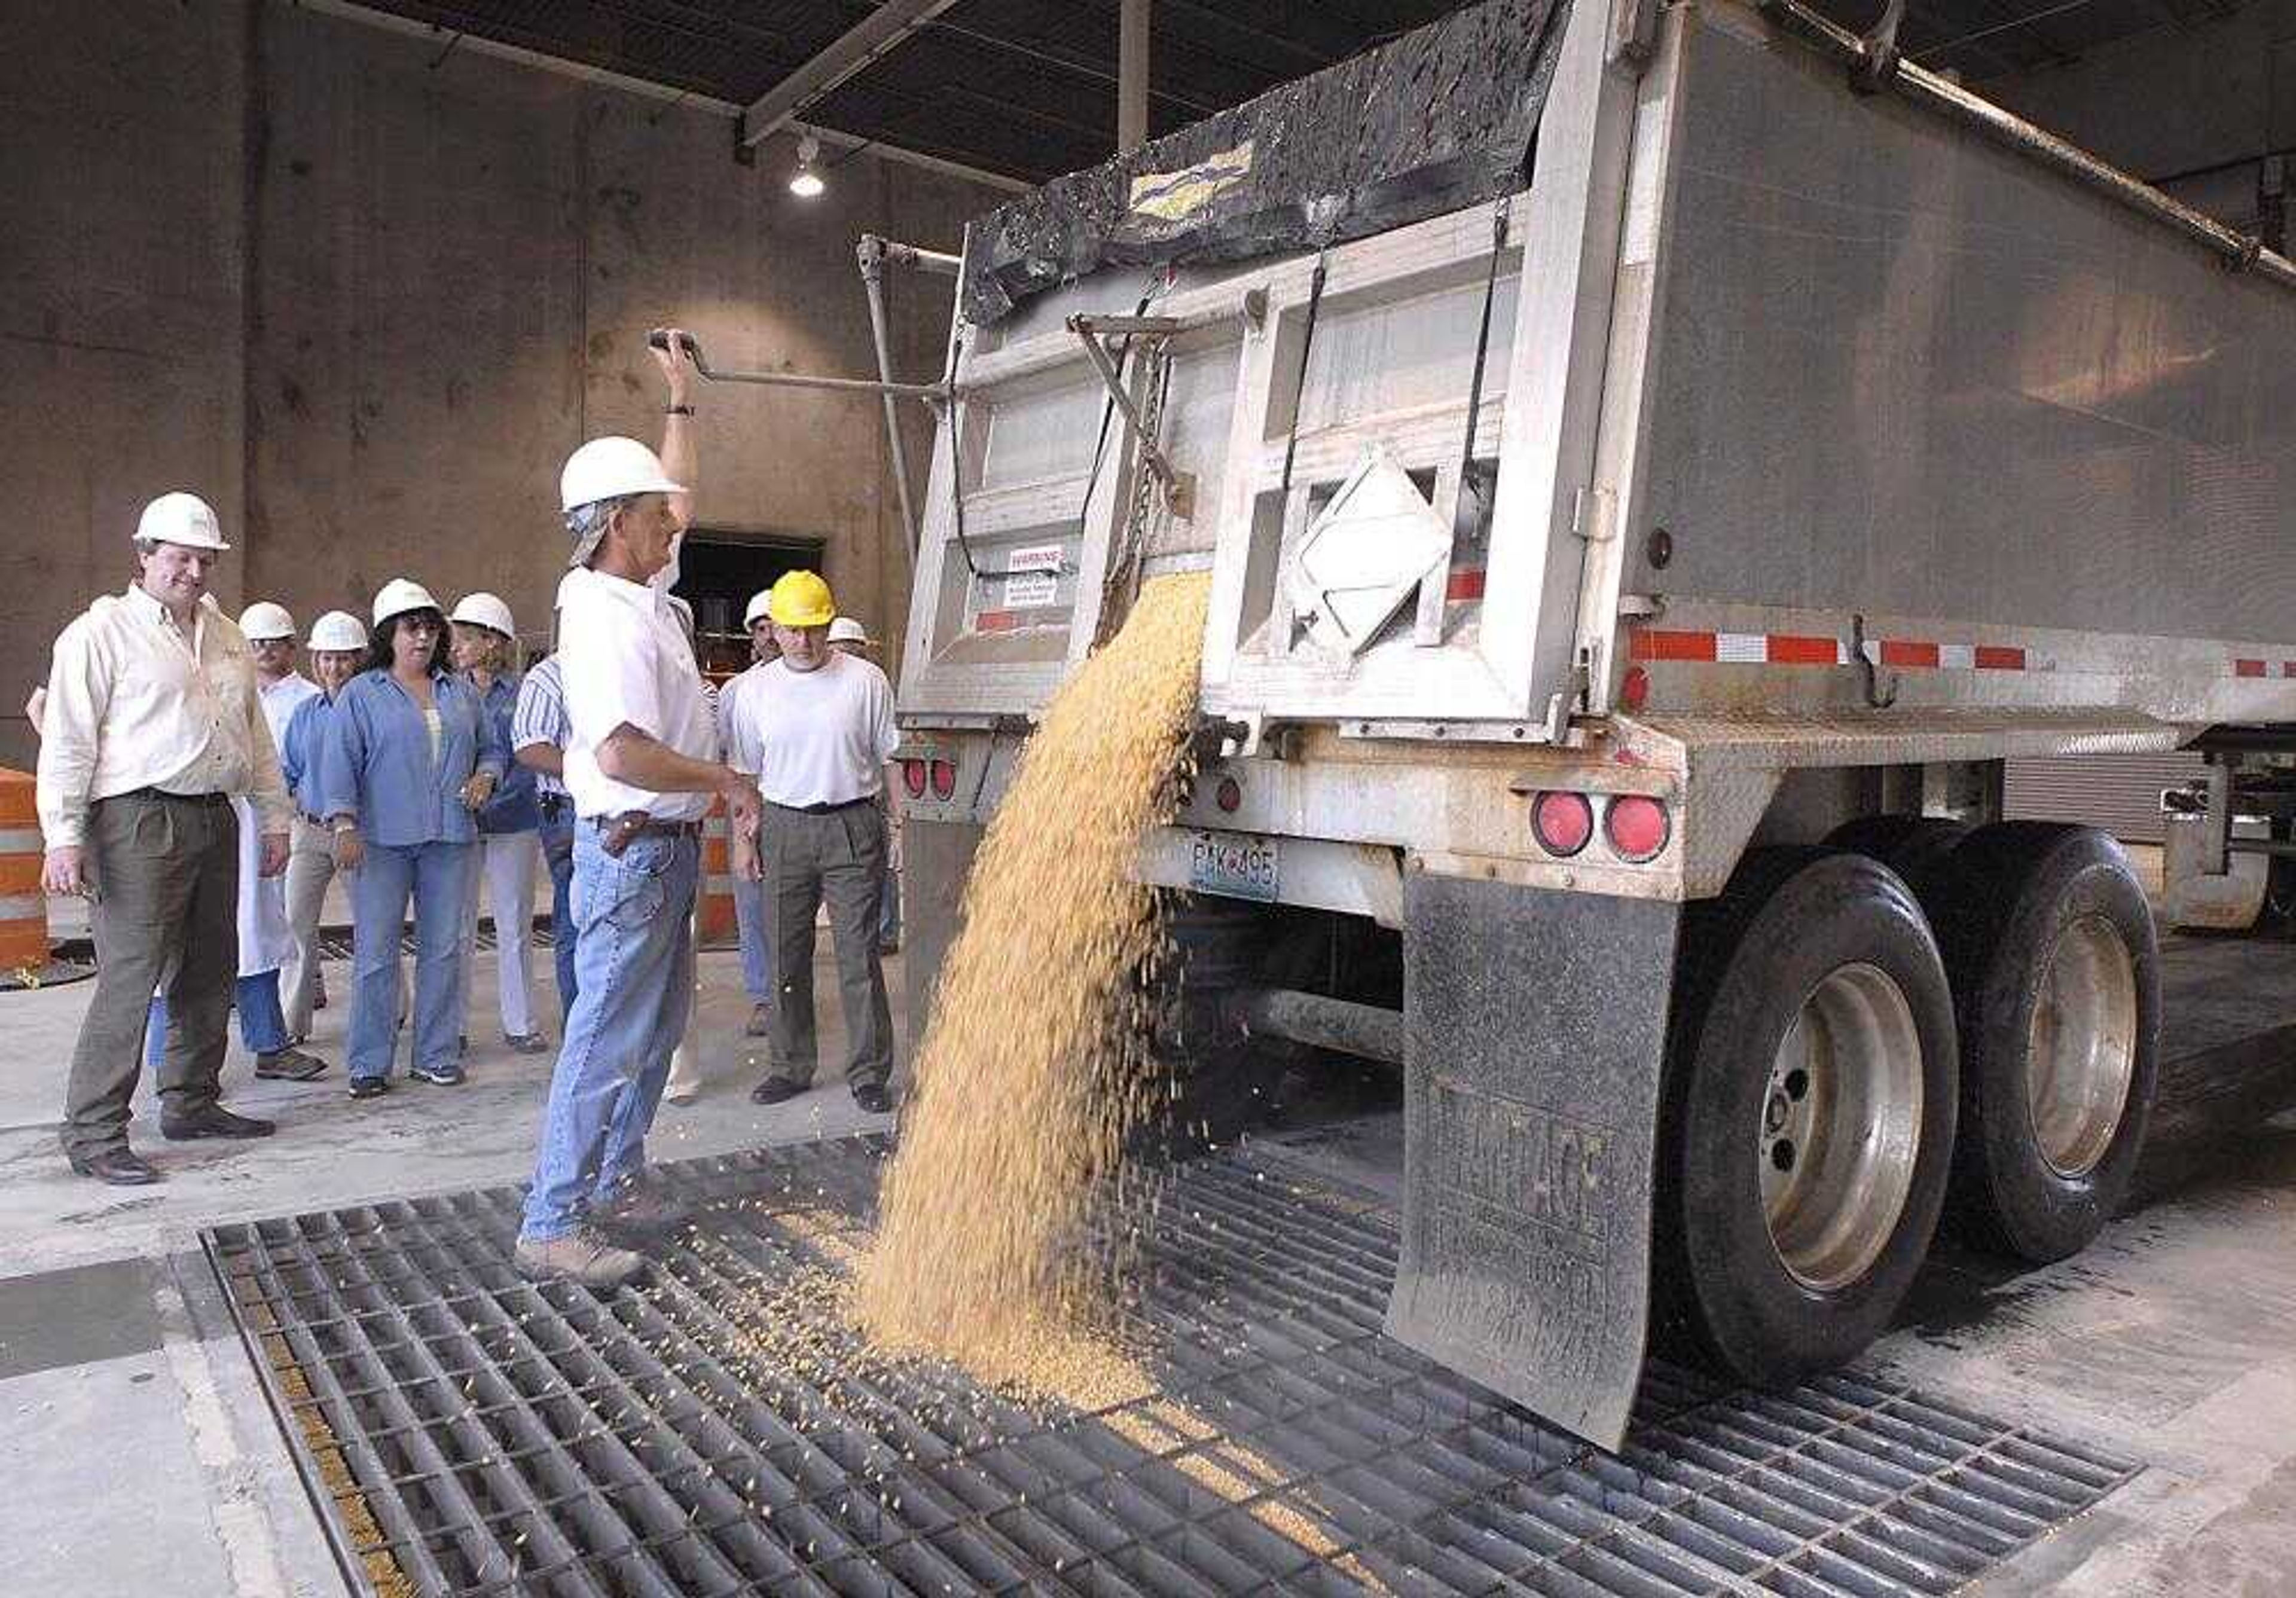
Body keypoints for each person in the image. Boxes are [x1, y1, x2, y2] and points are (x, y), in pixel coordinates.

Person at [516, 326, 762, 1290]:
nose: (677, 526)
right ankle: (554, 1218)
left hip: (657, 848)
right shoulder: (604, 618)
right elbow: (620, 750)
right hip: (632, 848)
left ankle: (615, 1179)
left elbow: (678, 487)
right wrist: (726, 783)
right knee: (607, 1036)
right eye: (658, 517)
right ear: (619, 521)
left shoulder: (639, 587)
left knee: (653, 1035)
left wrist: (679, 395)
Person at [36, 492, 294, 1185]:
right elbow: (67, 740)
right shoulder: (100, 634)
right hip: (135, 820)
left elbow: (256, 738)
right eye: (179, 557)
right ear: (144, 556)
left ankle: (190, 1100)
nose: (193, 570)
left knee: (212, 965)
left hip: (215, 813)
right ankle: (92, 1133)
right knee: (132, 974)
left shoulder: (229, 635)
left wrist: (274, 818)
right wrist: (63, 837)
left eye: (203, 558)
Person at [320, 579, 505, 1096]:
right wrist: (344, 823)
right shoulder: (362, 694)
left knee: (444, 948)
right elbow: (339, 763)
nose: (421, 638)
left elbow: (493, 749)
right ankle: (369, 1063)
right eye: (410, 628)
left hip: (449, 837)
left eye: (428, 628)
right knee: (377, 953)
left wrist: (487, 776)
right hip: (381, 840)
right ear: (389, 635)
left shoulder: (460, 691)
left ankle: (436, 1054)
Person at [142, 602, 329, 1082]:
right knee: (174, 947)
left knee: (256, 935)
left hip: (243, 825)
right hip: (169, 824)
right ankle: (171, 1064)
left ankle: (270, 1044)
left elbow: (266, 760)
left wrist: (275, 824)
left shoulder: (247, 684)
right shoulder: (155, 675)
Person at [738, 571, 899, 1117]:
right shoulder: (754, 691)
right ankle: (789, 1065)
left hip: (853, 823)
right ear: (772, 630)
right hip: (783, 826)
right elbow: (744, 778)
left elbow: (889, 758)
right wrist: (746, 842)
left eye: (814, 629)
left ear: (829, 624)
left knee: (859, 954)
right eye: (791, 630)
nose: (803, 642)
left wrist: (897, 830)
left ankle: (870, 1071)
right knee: (786, 951)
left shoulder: (865, 680)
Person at [449, 592, 547, 1055]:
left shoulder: (524, 691)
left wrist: (492, 793)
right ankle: (454, 1025)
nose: (456, 645)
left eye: (466, 637)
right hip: (463, 822)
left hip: (514, 820)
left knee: (514, 922)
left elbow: (528, 758)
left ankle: (521, 1022)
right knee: (459, 925)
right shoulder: (450, 691)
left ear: (492, 641)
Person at [278, 610, 369, 1043]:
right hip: (310, 832)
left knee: (373, 923)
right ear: (316, 662)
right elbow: (288, 771)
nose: (334, 668)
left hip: (358, 834)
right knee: (295, 922)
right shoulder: (305, 714)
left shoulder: (372, 710)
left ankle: (390, 1010)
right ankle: (292, 1026)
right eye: (327, 659)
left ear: (359, 660)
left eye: (343, 659)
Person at [713, 587, 780, 1038]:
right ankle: (763, 996)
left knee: (791, 910)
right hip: (750, 803)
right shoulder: (737, 691)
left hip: (799, 807)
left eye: (777, 624)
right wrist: (742, 830)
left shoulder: (819, 680)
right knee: (753, 907)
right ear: (751, 637)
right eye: (762, 628)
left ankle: (792, 991)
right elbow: (729, 757)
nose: (771, 635)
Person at [511, 645, 578, 1024]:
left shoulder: (621, 662)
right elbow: (530, 747)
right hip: (568, 810)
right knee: (576, 922)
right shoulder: (550, 677)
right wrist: (595, 772)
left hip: (621, 807)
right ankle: (580, 1033)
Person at [827, 614, 901, 957]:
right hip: (834, 799)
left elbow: (889, 753)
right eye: (842, 651)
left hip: (870, 797)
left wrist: (899, 817)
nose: (849, 658)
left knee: (883, 867)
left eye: (854, 651)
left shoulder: (874, 684)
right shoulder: (823, 690)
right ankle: (862, 933)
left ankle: (885, 931)